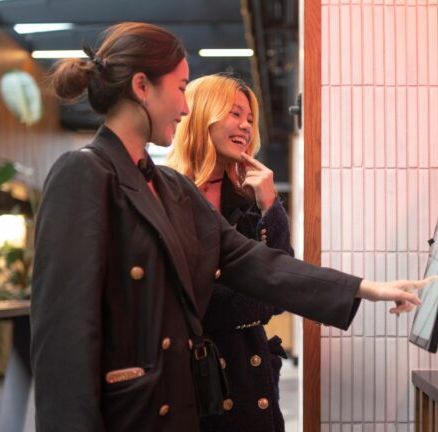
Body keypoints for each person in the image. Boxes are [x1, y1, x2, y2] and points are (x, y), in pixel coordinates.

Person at [31, 22, 425, 432]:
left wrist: (362, 288)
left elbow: (256, 261)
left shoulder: (172, 187)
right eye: (182, 88)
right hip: (131, 416)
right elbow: (62, 343)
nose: (185, 109)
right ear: (142, 86)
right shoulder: (84, 173)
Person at [167, 74, 291, 431]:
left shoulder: (248, 201)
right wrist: (256, 296)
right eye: (235, 114)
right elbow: (187, 300)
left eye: (250, 119)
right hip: (194, 377)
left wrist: (271, 204)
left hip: (251, 379)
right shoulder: (166, 193)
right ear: (203, 114)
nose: (246, 126)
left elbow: (281, 290)